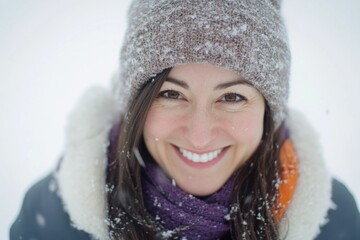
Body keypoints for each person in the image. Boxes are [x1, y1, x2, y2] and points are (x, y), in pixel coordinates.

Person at [10, 0, 360, 239]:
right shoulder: (53, 217)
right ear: (137, 104)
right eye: (171, 94)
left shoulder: (334, 222)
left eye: (233, 97)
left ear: (268, 112)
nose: (200, 135)